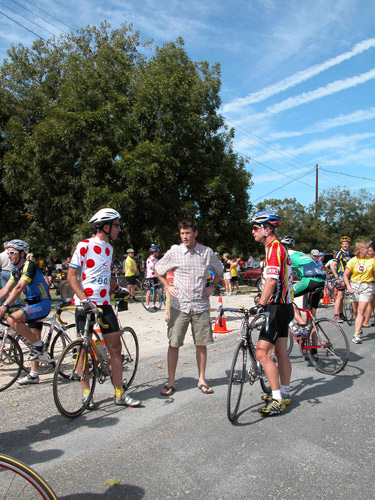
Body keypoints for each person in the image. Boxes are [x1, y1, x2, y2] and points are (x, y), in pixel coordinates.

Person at [67, 208, 140, 407]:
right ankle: (86, 393)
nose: (119, 229)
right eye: (117, 225)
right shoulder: (84, 245)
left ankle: (119, 393)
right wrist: (83, 299)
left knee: (115, 348)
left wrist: (118, 288)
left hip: (104, 305)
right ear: (106, 227)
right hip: (85, 305)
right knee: (84, 349)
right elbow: (71, 276)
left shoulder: (109, 249)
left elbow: (105, 277)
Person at [155, 218, 223, 396]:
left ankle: (201, 379)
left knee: (201, 344)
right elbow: (158, 269)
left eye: (188, 233)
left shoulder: (206, 252)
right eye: (182, 233)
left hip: (200, 305)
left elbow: (220, 269)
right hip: (180, 305)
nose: (185, 237)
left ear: (195, 233)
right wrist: (167, 286)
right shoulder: (174, 251)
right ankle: (171, 382)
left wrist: (212, 287)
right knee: (174, 343)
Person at [250, 211, 294, 416]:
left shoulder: (274, 250)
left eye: (256, 228)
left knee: (262, 353)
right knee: (280, 352)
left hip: (276, 308)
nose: (253, 232)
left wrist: (262, 303)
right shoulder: (279, 248)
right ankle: (284, 393)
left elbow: (272, 281)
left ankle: (276, 399)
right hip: (285, 307)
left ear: (267, 230)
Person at [0, 239, 51, 385]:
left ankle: (39, 346)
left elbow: (19, 288)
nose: (9, 256)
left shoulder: (30, 265)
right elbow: (5, 290)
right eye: (7, 253)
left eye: (11, 253)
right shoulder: (15, 270)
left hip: (42, 304)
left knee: (12, 319)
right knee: (33, 337)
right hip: (33, 305)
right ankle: (34, 374)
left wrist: (4, 306)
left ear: (22, 254)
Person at [280, 235, 326, 328]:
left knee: (284, 297)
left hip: (309, 280)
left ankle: (302, 325)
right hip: (320, 280)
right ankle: (314, 339)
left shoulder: (285, 255)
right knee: (313, 317)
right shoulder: (301, 253)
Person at [343, 240, 375, 344]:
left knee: (361, 311)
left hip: (367, 285)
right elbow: (345, 275)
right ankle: (359, 327)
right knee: (356, 311)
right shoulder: (352, 261)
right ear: (361, 250)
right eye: (366, 248)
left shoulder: (371, 261)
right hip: (354, 285)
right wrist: (348, 286)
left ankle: (356, 334)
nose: (368, 250)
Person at [331, 236, 352, 322]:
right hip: (341, 276)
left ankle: (341, 314)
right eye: (343, 244)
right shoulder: (340, 253)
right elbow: (333, 265)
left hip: (349, 277)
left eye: (346, 244)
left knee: (343, 296)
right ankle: (336, 315)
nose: (345, 245)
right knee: (340, 295)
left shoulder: (349, 254)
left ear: (349, 244)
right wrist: (336, 277)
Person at [363, 243, 375, 327]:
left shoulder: (373, 261)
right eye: (368, 251)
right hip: (369, 283)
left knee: (369, 303)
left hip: (372, 283)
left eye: (370, 251)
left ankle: (366, 322)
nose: (369, 253)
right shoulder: (368, 260)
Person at [145, 244, 160, 310]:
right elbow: (153, 267)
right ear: (154, 252)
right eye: (157, 252)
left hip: (155, 276)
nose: (158, 253)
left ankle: (153, 304)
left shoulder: (156, 259)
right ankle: (147, 305)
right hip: (150, 277)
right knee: (149, 291)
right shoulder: (149, 259)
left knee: (155, 291)